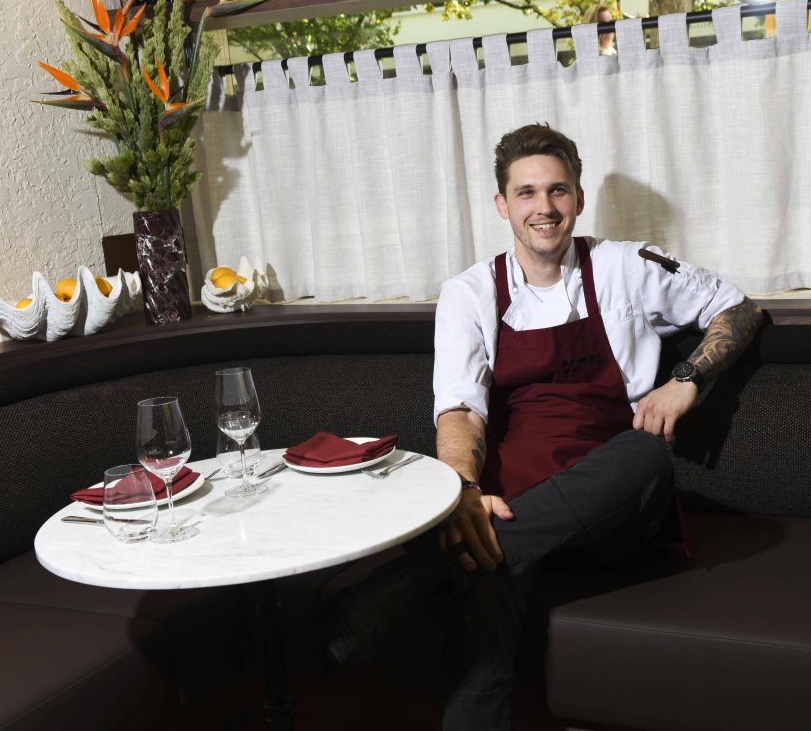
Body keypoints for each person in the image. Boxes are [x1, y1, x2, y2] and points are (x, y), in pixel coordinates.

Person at [324, 124, 761, 730]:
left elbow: (738, 308)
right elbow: (459, 410)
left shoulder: (627, 266)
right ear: (503, 205)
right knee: (489, 549)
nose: (544, 207)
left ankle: (409, 579)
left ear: (578, 199)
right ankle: (483, 543)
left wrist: (685, 377)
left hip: (613, 508)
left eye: (557, 191)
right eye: (526, 193)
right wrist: (466, 495)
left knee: (646, 455)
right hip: (519, 502)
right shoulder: (469, 293)